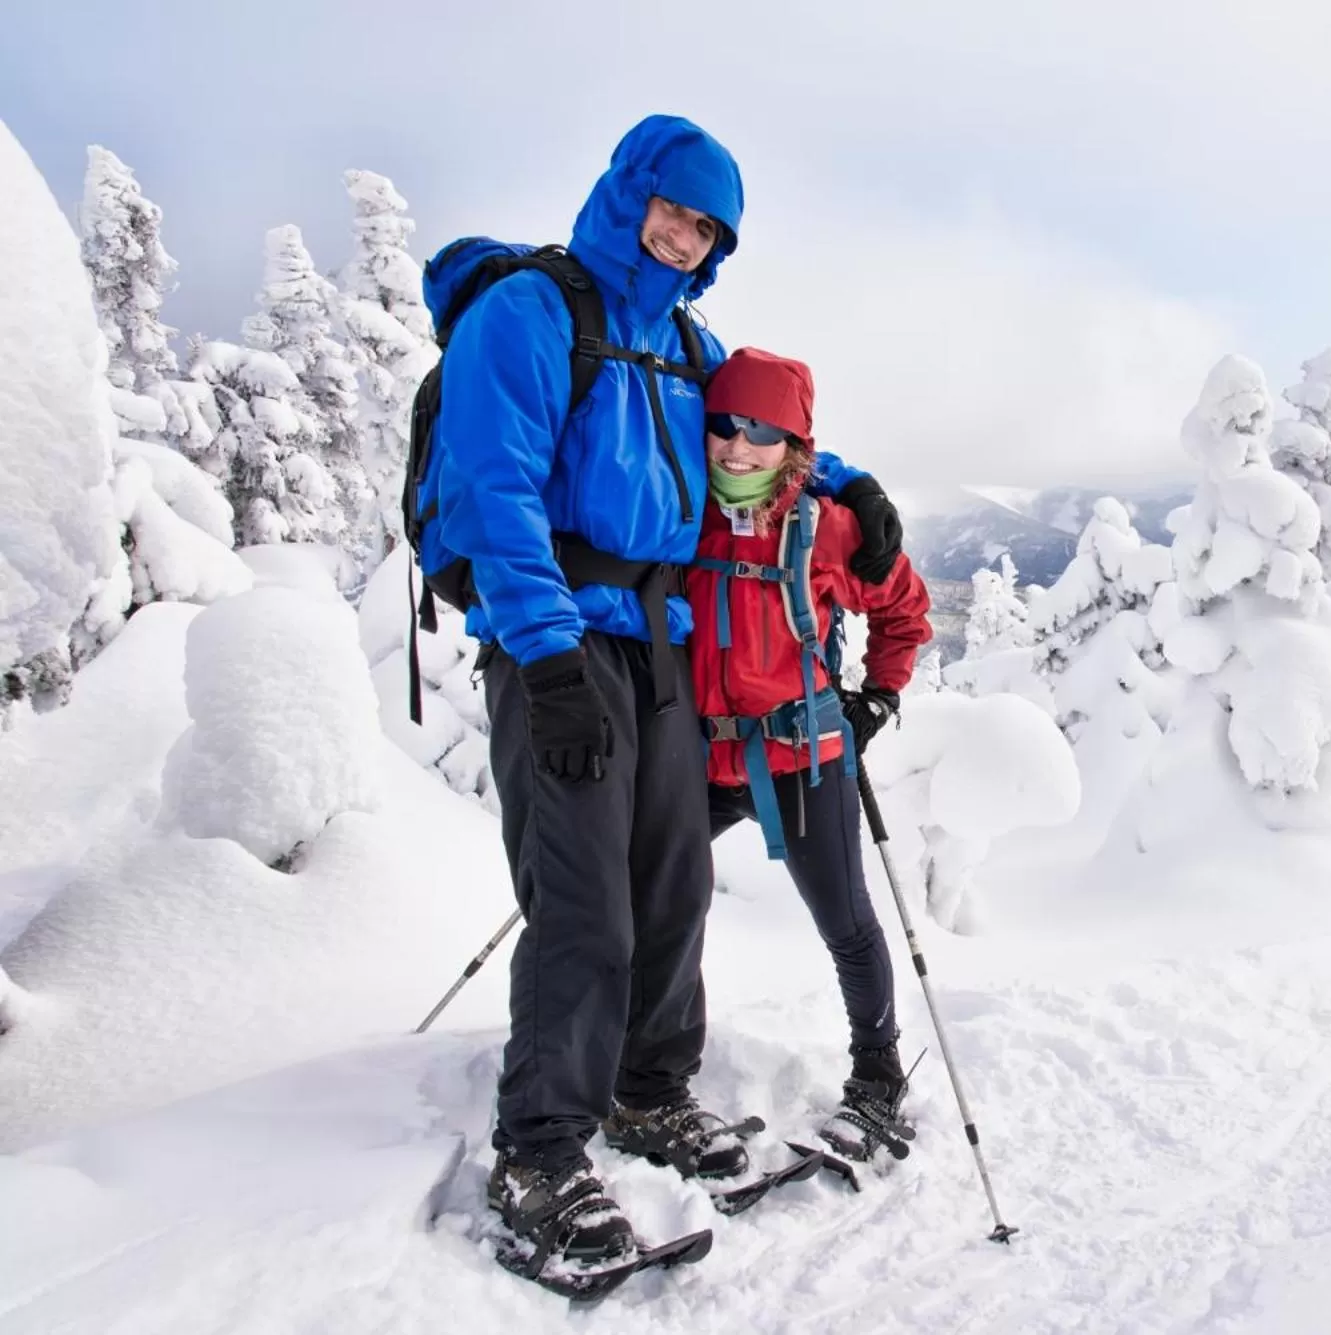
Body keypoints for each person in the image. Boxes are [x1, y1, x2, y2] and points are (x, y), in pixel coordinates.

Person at [416, 115, 905, 1278]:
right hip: (558, 637)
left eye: (707, 232)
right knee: (583, 900)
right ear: (628, 192)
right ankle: (540, 1150)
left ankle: (647, 1091)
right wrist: (545, 658)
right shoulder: (531, 312)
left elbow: (758, 430)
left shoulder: (684, 341)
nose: (684, 239)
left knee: (671, 882)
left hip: (661, 642)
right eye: (674, 213)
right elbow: (495, 490)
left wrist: (850, 485)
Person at [688, 348, 932, 1160]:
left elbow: (906, 610)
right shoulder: (679, 508)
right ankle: (650, 1069)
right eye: (725, 425)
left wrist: (878, 696)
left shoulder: (826, 527)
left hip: (802, 754)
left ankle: (878, 1073)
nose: (738, 447)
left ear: (793, 444)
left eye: (762, 432)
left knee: (845, 920)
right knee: (656, 902)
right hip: (701, 757)